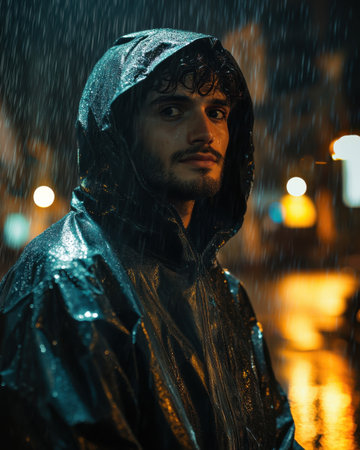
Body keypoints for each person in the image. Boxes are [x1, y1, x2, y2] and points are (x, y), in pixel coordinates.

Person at [0, 29, 301, 449]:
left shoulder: (222, 293)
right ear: (119, 132)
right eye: (172, 110)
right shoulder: (68, 285)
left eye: (217, 112)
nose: (205, 133)